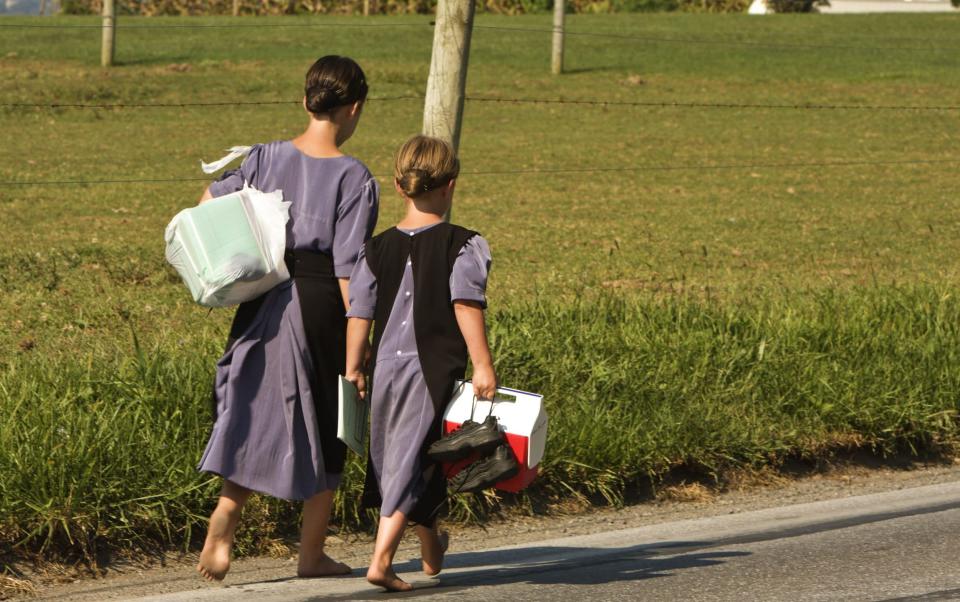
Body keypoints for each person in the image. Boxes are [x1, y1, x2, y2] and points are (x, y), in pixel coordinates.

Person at [194, 55, 379, 582]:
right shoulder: (354, 177)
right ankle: (311, 554)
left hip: (266, 294)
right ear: (354, 109)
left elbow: (208, 201)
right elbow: (350, 270)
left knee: (254, 407)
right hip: (321, 302)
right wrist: (358, 343)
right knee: (331, 422)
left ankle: (227, 514)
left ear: (305, 101)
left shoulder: (263, 157)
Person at [343, 135, 496, 592]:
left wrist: (353, 368)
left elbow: (359, 313)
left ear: (397, 185)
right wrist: (483, 366)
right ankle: (381, 559)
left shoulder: (374, 250)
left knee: (416, 452)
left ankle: (431, 550)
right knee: (412, 456)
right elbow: (466, 305)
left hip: (387, 368)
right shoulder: (464, 244)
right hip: (433, 368)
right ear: (450, 186)